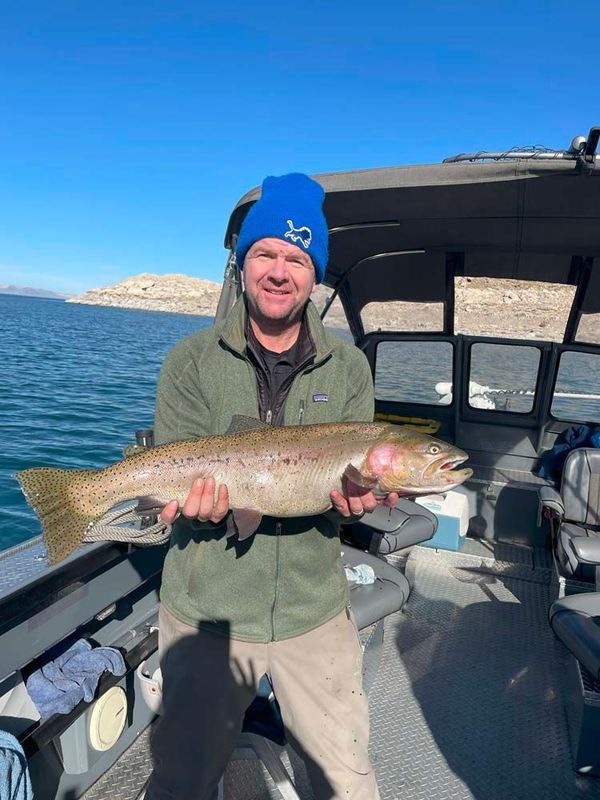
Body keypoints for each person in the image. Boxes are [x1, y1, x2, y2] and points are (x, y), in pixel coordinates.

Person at [144, 173, 399, 800]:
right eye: (265, 254)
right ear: (242, 264)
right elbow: (176, 484)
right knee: (182, 781)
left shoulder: (349, 367)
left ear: (315, 274)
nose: (280, 271)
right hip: (207, 610)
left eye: (296, 257)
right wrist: (195, 510)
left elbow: (339, 504)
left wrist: (353, 504)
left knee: (348, 780)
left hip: (315, 611)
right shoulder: (190, 361)